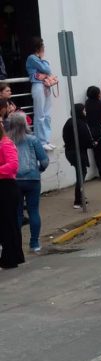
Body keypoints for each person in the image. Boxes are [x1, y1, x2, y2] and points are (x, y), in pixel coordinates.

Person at [6, 112, 49, 253]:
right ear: (25, 124)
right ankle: (34, 243)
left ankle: (16, 244)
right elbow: (44, 161)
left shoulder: (6, 141)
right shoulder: (33, 139)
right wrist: (39, 170)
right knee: (34, 211)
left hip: (13, 181)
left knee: (17, 213)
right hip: (32, 179)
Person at [0, 101, 25, 268]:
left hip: (7, 187)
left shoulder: (6, 143)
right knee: (7, 224)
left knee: (8, 224)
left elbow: (13, 166)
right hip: (4, 187)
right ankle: (13, 256)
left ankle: (11, 257)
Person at [62, 103, 95, 209]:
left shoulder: (69, 122)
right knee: (81, 174)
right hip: (77, 153)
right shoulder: (80, 123)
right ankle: (78, 200)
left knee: (80, 173)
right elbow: (86, 138)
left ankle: (80, 196)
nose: (85, 112)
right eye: (84, 110)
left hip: (70, 152)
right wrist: (92, 144)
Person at [25, 37, 55, 150]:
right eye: (42, 44)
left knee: (47, 114)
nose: (44, 47)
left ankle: (46, 139)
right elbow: (47, 69)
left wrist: (42, 62)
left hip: (45, 86)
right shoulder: (32, 58)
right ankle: (41, 141)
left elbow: (47, 69)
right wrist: (42, 59)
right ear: (38, 46)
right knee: (40, 114)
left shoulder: (38, 58)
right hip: (38, 86)